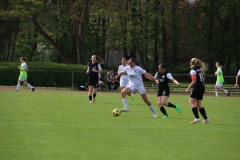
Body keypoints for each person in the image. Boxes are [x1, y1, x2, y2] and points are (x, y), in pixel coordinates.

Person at [186, 58, 210, 124]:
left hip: (197, 87)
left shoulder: (193, 70)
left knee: (191, 102)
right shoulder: (199, 69)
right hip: (202, 87)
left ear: (191, 63)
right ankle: (206, 119)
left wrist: (188, 88)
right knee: (198, 104)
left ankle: (197, 118)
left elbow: (194, 81)